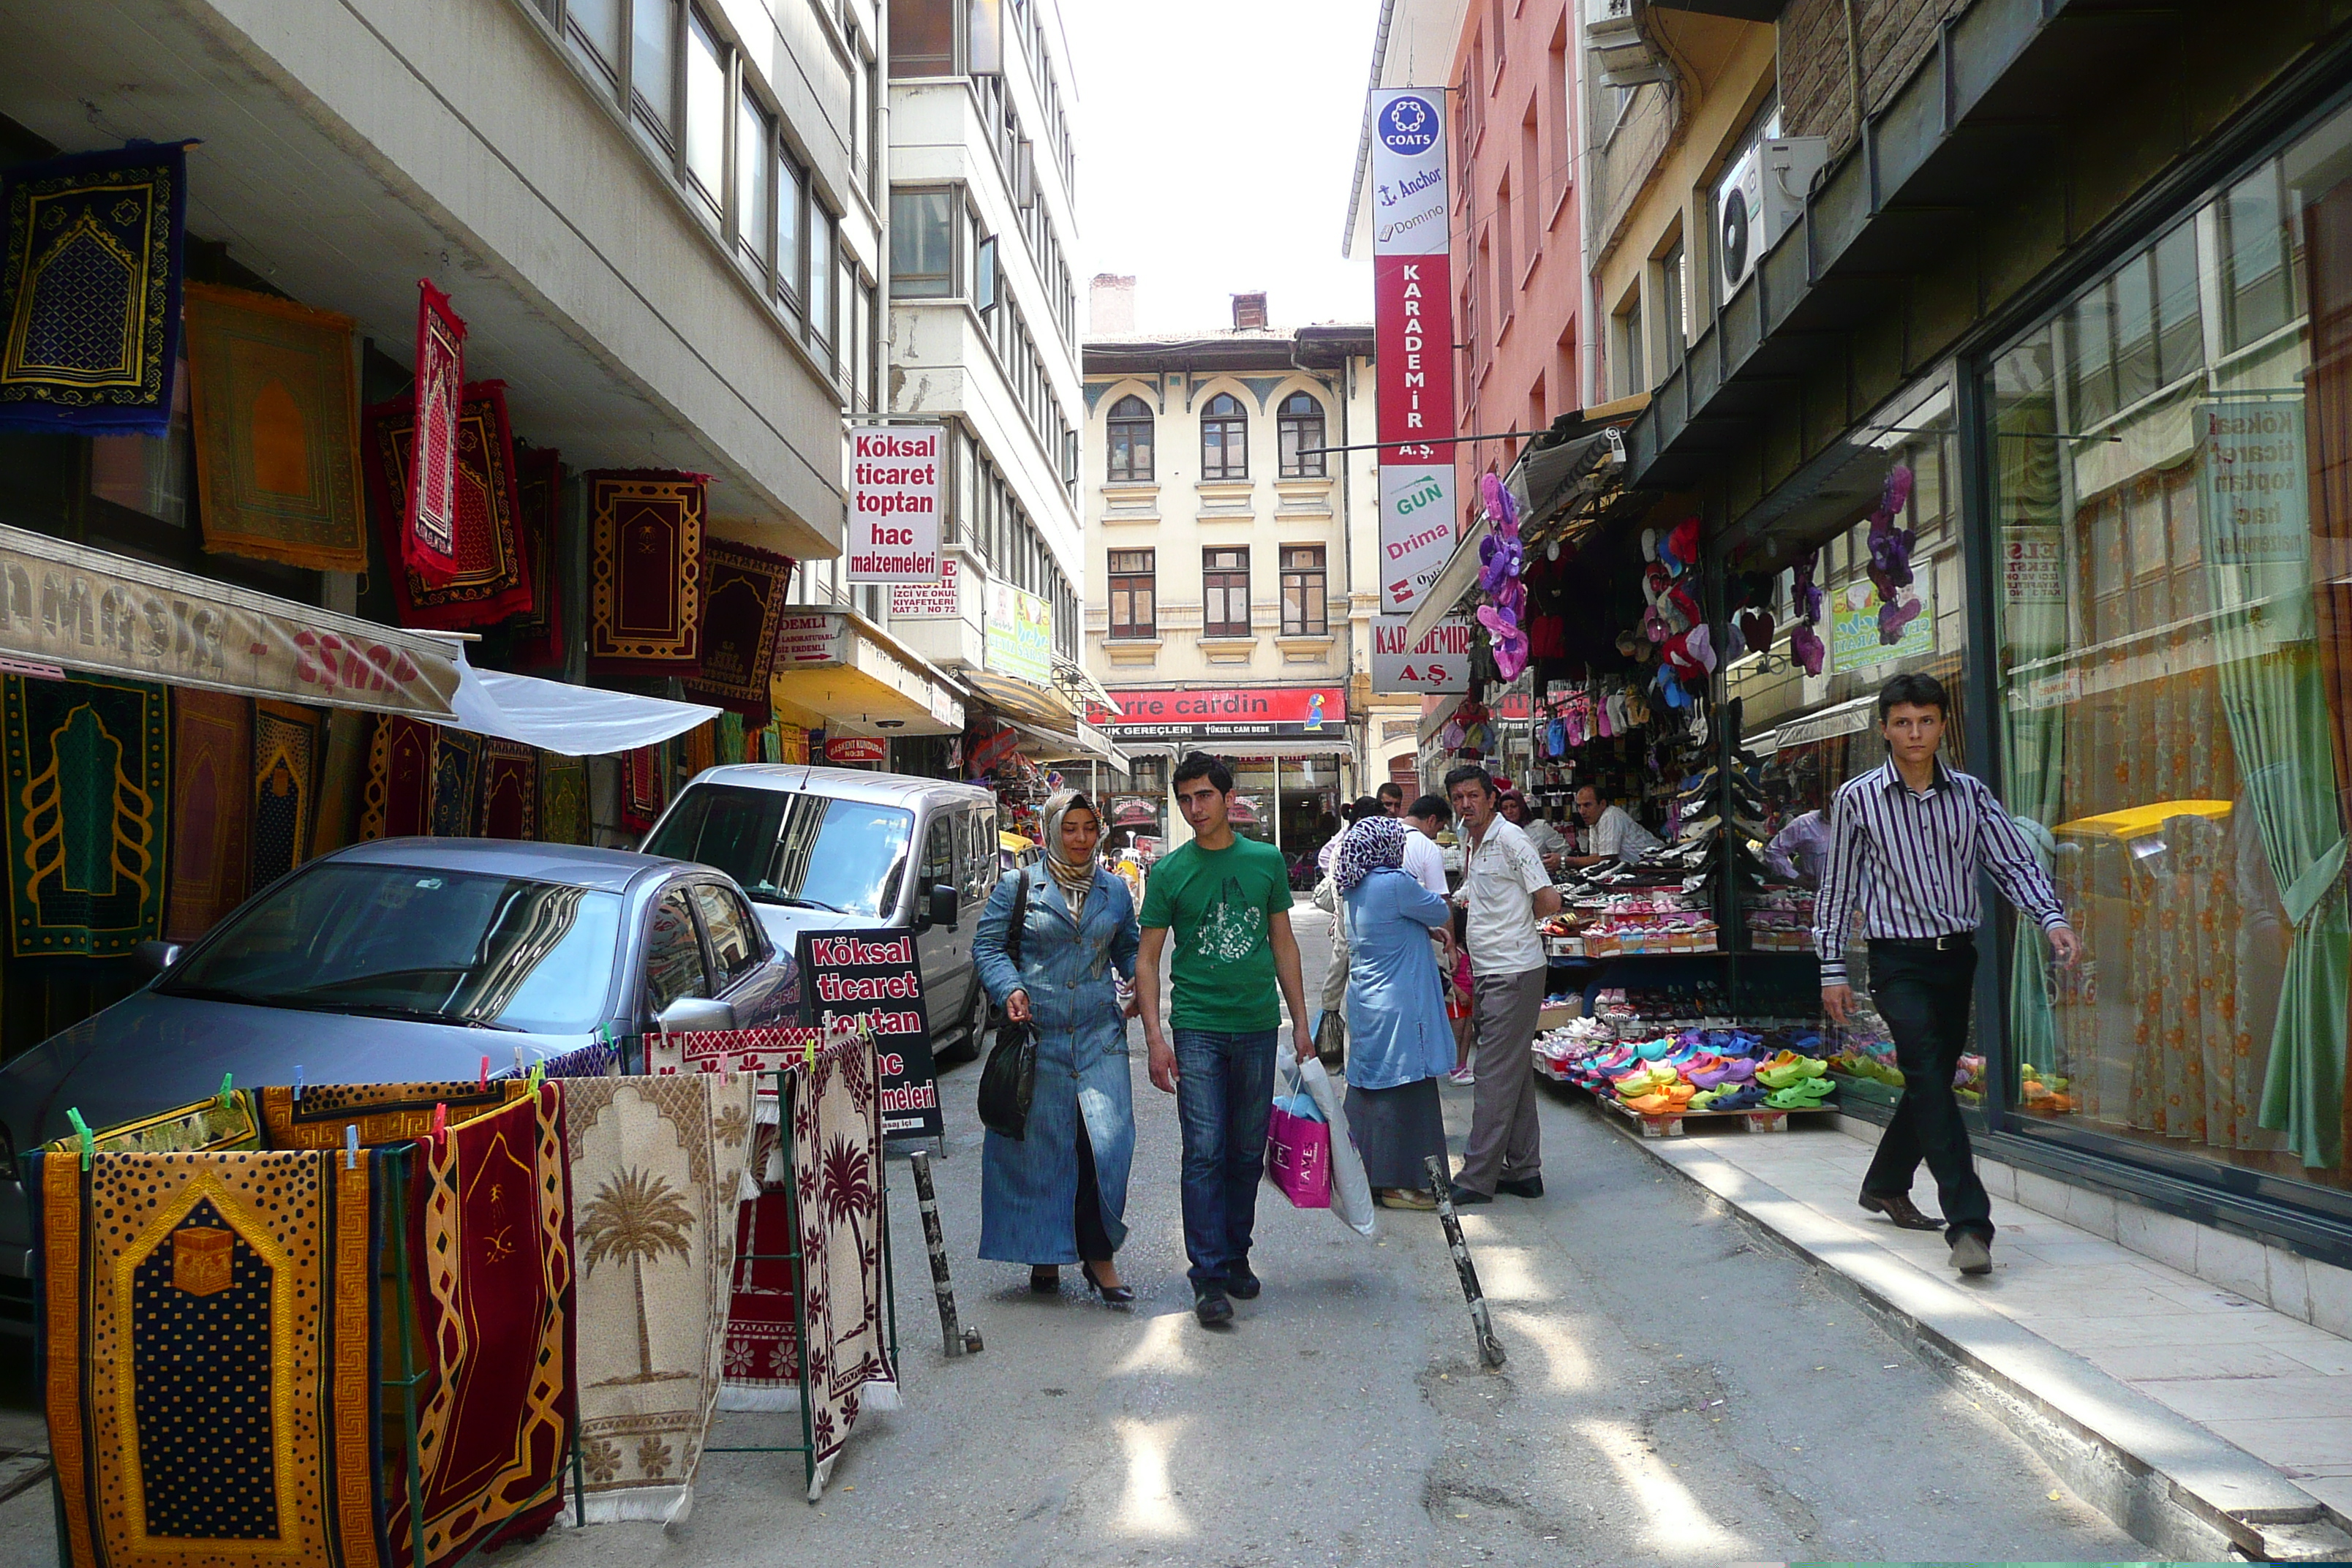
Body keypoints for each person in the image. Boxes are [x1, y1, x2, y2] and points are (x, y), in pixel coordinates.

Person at [1815, 672, 2080, 1278]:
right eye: (1903, 722)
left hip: (1956, 955)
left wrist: (2051, 919)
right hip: (1896, 960)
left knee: (1930, 1073)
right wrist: (1833, 967)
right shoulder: (1859, 799)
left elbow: (2012, 861)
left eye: (1927, 721)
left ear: (1943, 726)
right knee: (1931, 1079)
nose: (1916, 733)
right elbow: (1838, 888)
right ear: (1884, 729)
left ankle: (1884, 1182)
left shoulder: (1971, 795)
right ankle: (1969, 1224)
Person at [1136, 753, 1314, 1327]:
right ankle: (1208, 1275)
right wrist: (1154, 1039)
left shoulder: (1264, 862)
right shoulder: (1168, 873)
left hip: (1259, 1025)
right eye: (1185, 799)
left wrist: (1302, 1022)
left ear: (1228, 798)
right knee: (1205, 1151)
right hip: (1198, 1029)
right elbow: (1147, 961)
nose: (1195, 809)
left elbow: (1283, 946)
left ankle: (1237, 1255)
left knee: (1244, 1152)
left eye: (1204, 797)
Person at [973, 791, 1142, 1303]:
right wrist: (1010, 989)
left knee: (1106, 1145)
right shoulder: (1018, 885)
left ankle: (1100, 1258)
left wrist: (1140, 980)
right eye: (1070, 829)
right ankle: (1043, 1253)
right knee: (1039, 1149)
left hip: (1099, 1036)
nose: (1080, 839)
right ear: (1052, 831)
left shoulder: (1114, 890)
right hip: (1037, 1038)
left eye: (1090, 828)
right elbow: (988, 946)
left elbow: (1128, 945)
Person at [1444, 765, 1561, 1203]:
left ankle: (1477, 1178)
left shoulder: (1512, 839)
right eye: (1458, 798)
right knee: (1514, 1073)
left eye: (1473, 796)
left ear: (1491, 798)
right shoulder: (1469, 841)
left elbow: (1549, 900)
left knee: (1493, 1074)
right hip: (1490, 969)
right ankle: (1525, 1171)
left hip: (1514, 971)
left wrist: (1514, 929)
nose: (1466, 805)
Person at [1335, 817, 1452, 1210]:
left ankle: (1362, 1174)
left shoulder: (1353, 887)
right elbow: (1437, 910)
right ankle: (1403, 1182)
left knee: (1370, 1088)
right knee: (1408, 1091)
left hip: (1369, 1002)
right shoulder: (1395, 883)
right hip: (1403, 1006)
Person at [1562, 784, 1662, 868]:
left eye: (1587, 805)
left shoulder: (1610, 815)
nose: (1582, 811)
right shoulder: (1594, 821)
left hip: (1660, 864)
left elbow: (1607, 859)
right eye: (1579, 806)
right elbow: (1595, 859)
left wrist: (1565, 862)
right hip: (1642, 868)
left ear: (1602, 804)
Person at [1499, 790, 1569, 874]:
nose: (1509, 811)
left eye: (1513, 806)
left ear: (1521, 806)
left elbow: (1565, 850)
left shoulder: (1540, 827)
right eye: (1505, 808)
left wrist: (1555, 864)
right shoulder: (1501, 832)